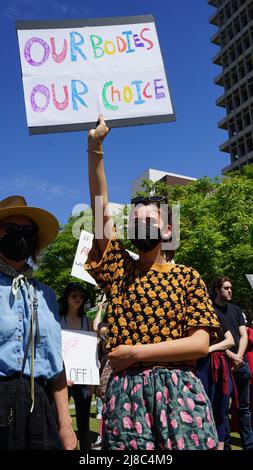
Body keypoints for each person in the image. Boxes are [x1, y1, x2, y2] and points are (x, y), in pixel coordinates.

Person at [84, 115, 220, 450]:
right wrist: (95, 148)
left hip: (181, 394)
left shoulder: (187, 277)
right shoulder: (120, 270)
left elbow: (200, 344)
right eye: (134, 221)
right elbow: (100, 207)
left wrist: (136, 352)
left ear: (168, 230)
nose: (139, 225)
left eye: (148, 220)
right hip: (125, 398)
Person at [0, 195, 77, 450]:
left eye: (27, 231)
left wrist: (65, 425)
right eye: (11, 229)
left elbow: (55, 364)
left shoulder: (47, 294)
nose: (20, 236)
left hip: (40, 405)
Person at [213, 277, 253, 450]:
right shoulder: (210, 310)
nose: (230, 291)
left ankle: (249, 445)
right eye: (226, 288)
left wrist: (239, 356)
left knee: (244, 408)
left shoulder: (235, 310)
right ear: (217, 289)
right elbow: (213, 340)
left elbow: (243, 335)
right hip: (223, 364)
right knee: (222, 408)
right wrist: (231, 356)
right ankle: (226, 445)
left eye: (231, 288)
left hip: (240, 363)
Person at [59, 282, 93, 451]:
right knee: (62, 424)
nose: (78, 299)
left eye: (81, 296)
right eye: (74, 295)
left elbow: (92, 353)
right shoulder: (57, 321)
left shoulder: (89, 322)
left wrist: (92, 383)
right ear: (66, 298)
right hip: (62, 381)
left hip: (84, 381)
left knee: (84, 426)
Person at [196, 312, 234, 450]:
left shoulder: (214, 315)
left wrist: (208, 349)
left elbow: (230, 341)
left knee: (220, 410)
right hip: (199, 366)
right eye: (226, 288)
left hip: (216, 366)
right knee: (200, 410)